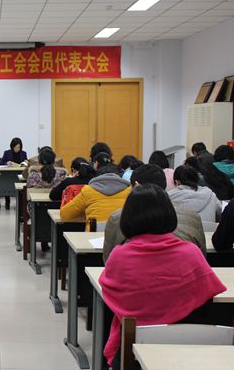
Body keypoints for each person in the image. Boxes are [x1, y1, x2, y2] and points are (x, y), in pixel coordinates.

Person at [99, 184, 226, 370]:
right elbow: (206, 297)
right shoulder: (191, 253)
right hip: (185, 351)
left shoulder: (119, 256)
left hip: (132, 351)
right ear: (170, 214)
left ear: (127, 217)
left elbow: (110, 294)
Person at [103, 164, 206, 262]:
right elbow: (202, 257)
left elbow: (108, 260)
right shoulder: (193, 217)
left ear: (137, 186)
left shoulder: (117, 218)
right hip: (182, 272)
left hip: (134, 272)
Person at [60, 157, 131, 229]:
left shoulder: (88, 191)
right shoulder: (129, 191)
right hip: (121, 234)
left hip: (93, 233)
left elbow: (65, 214)